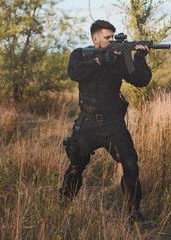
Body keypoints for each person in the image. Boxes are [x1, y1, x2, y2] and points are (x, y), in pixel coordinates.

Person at [59, 20, 152, 222]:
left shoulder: (120, 59)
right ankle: (62, 208)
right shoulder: (79, 54)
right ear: (95, 39)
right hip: (87, 123)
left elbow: (140, 81)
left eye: (113, 37)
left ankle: (134, 212)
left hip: (113, 123)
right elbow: (75, 73)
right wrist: (100, 61)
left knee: (130, 165)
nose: (111, 40)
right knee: (76, 166)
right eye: (107, 38)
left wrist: (140, 57)